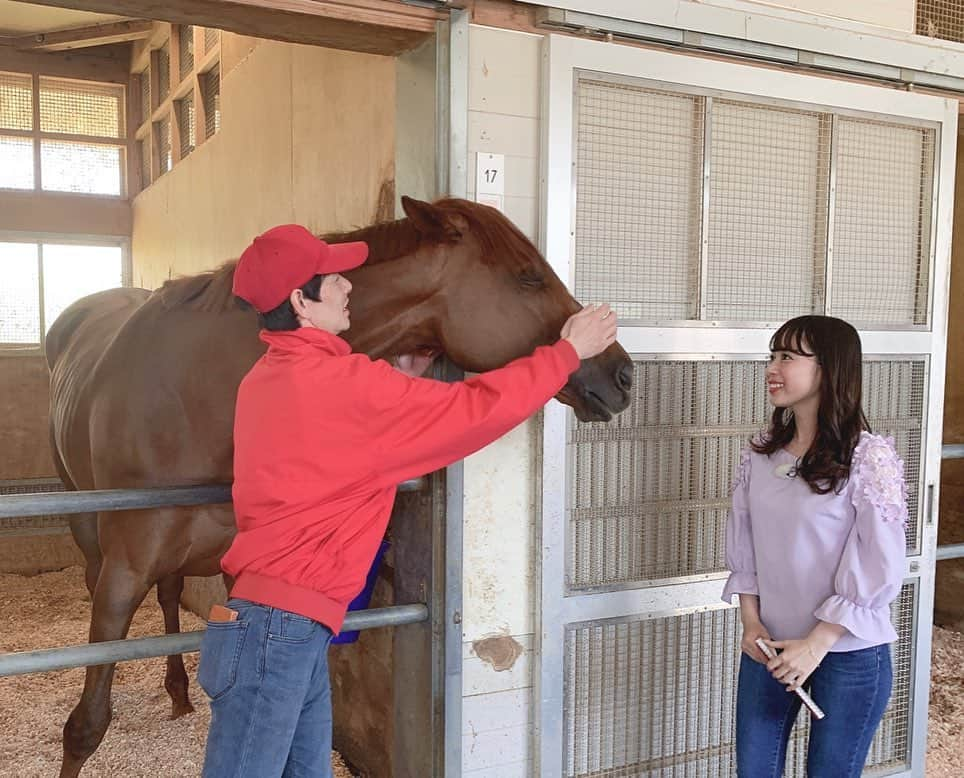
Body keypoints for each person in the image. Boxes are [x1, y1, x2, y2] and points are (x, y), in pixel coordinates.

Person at [198, 224, 618, 777]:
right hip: (280, 629)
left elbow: (331, 444)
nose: (349, 286)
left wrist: (405, 388)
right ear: (301, 300)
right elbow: (476, 409)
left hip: (278, 624)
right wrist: (567, 353)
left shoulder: (268, 377)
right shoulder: (343, 384)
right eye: (334, 280)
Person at [722, 314, 908, 778]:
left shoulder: (868, 458)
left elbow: (880, 564)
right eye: (772, 355)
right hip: (768, 650)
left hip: (847, 656)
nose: (772, 367)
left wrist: (817, 644)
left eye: (787, 356)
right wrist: (750, 623)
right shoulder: (762, 453)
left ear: (828, 368)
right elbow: (745, 544)